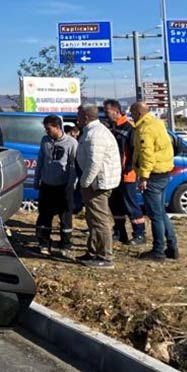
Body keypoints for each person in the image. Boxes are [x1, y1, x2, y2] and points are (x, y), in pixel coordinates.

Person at [75, 103, 121, 268]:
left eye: (79, 115)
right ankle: (93, 251)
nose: (77, 118)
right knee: (92, 218)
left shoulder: (96, 134)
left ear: (86, 117)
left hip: (98, 183)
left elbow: (95, 162)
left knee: (100, 220)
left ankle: (105, 256)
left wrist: (85, 182)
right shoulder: (91, 131)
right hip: (94, 182)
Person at [131, 101, 178, 261]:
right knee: (161, 213)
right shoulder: (158, 123)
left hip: (153, 176)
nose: (131, 115)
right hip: (164, 172)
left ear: (138, 113)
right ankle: (172, 246)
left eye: (132, 112)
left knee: (155, 215)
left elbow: (147, 155)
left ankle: (158, 251)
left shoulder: (145, 129)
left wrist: (143, 177)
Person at [103, 99, 146, 245]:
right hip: (114, 173)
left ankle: (139, 233)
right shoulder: (111, 128)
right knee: (115, 204)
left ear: (116, 111)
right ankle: (119, 231)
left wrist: (130, 168)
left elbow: (134, 152)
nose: (106, 114)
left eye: (108, 111)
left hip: (127, 174)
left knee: (130, 204)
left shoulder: (129, 128)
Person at [34, 115, 78, 256]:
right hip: (47, 184)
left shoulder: (71, 143)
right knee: (44, 215)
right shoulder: (45, 140)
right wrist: (37, 178)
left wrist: (71, 184)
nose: (47, 132)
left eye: (49, 129)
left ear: (57, 127)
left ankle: (65, 244)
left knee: (65, 216)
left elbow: (73, 165)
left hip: (63, 185)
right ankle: (44, 243)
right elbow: (40, 159)